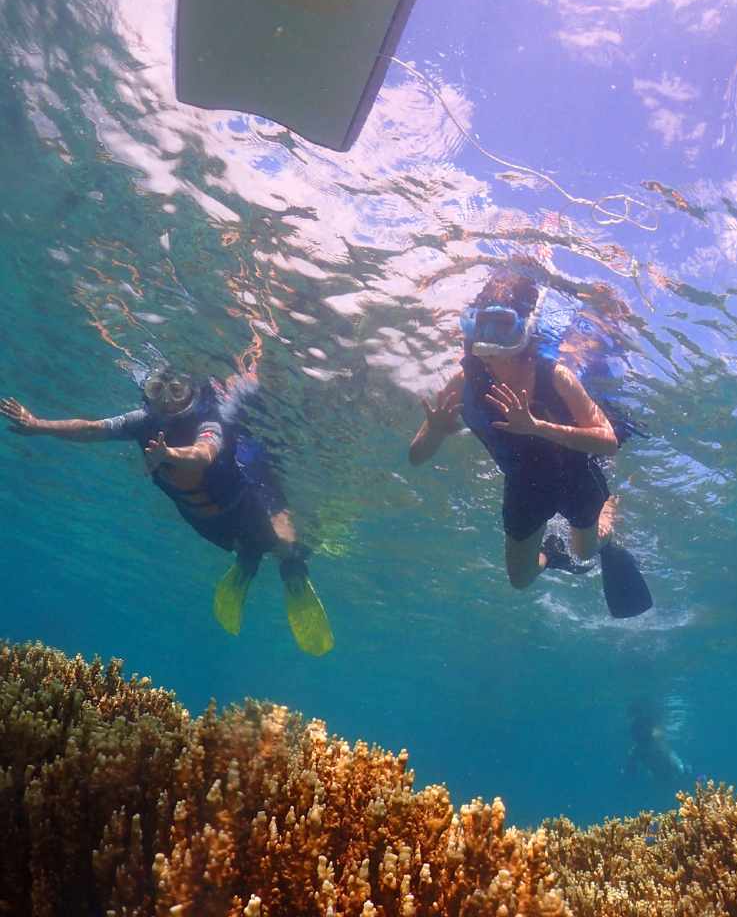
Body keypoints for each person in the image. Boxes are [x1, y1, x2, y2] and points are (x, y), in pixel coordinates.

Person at [0, 366, 333, 655]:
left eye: (176, 390)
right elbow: (91, 429)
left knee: (280, 544)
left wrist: (168, 454)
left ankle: (291, 566)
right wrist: (38, 425)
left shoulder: (209, 421)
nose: (165, 399)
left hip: (240, 506)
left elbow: (203, 454)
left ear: (191, 394)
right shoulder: (140, 421)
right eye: (156, 389)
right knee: (243, 545)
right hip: (198, 516)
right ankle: (248, 556)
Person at [408, 270, 652, 618]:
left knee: (587, 552)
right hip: (523, 485)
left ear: (525, 326)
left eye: (502, 325)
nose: (489, 337)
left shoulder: (556, 376)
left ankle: (609, 512)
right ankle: (553, 552)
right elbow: (416, 457)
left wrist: (537, 427)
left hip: (574, 474)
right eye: (481, 323)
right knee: (520, 579)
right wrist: (436, 432)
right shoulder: (463, 382)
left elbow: (609, 442)